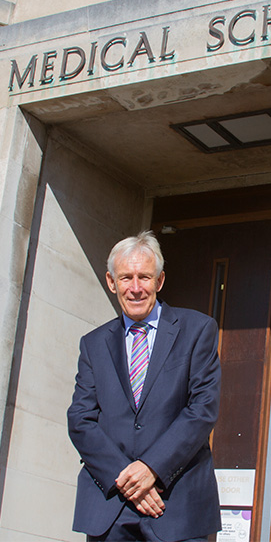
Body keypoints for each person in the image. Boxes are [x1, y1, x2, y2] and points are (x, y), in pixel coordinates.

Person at [67, 231, 221, 542]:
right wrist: (127, 479)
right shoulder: (93, 344)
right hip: (110, 503)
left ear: (160, 281)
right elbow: (80, 419)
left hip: (176, 503)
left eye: (144, 277)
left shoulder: (197, 330)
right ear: (111, 282)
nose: (135, 288)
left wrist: (151, 468)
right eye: (125, 278)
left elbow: (203, 409)